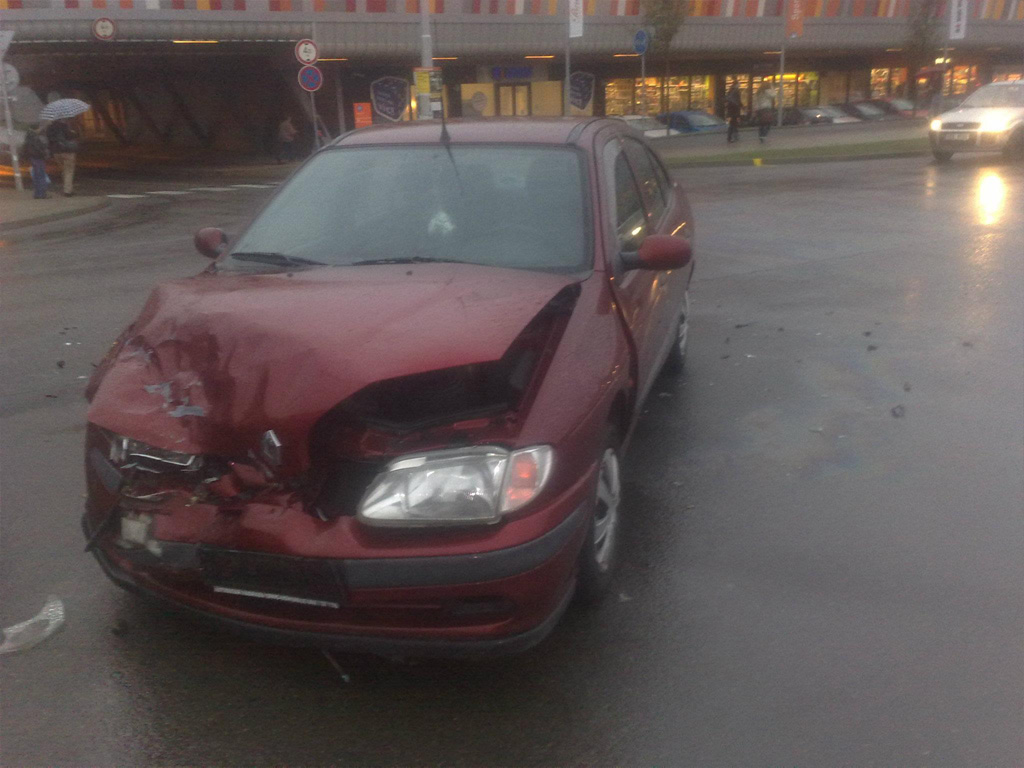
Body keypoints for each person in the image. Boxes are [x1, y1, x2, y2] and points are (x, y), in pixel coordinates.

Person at [45, 118, 79, 197]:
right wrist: (73, 132)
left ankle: (67, 187)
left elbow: (49, 140)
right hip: (67, 151)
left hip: (56, 152)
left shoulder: (49, 128)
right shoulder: (64, 126)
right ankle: (67, 191)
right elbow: (70, 136)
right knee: (69, 171)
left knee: (64, 170)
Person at [23, 125, 50, 200]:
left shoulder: (28, 136)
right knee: (41, 175)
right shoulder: (35, 138)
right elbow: (39, 148)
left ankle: (37, 194)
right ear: (37, 129)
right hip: (38, 157)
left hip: (32, 158)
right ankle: (42, 194)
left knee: (36, 176)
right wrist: (44, 153)